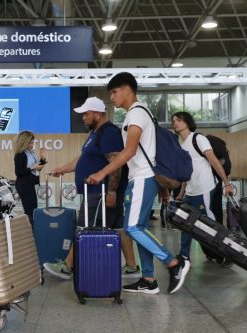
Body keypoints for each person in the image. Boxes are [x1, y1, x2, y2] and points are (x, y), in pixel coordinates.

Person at [88, 72, 189, 295]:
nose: (112, 98)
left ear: (127, 90)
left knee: (132, 227)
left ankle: (174, 263)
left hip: (143, 177)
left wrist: (102, 172)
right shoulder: (139, 114)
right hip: (141, 177)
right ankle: (148, 278)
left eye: (114, 92)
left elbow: (130, 151)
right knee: (138, 227)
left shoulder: (136, 114)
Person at [43, 97, 140, 280]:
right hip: (99, 193)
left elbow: (116, 163)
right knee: (119, 228)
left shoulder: (108, 132)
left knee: (84, 227)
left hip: (99, 193)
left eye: (86, 114)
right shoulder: (95, 134)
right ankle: (132, 267)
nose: (83, 118)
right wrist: (62, 169)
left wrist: (111, 192)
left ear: (97, 114)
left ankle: (67, 266)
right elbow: (83, 159)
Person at [171, 111, 234, 267]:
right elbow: (187, 172)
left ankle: (224, 254)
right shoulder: (180, 145)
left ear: (187, 122)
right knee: (185, 223)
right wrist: (181, 193)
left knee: (210, 224)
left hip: (205, 188)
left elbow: (214, 162)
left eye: (179, 120)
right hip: (191, 192)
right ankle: (184, 256)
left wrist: (226, 183)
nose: (175, 123)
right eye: (173, 121)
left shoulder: (198, 139)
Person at [13, 130, 46, 224]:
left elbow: (37, 168)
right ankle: (30, 232)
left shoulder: (31, 153)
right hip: (24, 185)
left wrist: (43, 159)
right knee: (30, 211)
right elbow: (18, 172)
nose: (32, 145)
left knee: (33, 210)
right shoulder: (20, 155)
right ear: (24, 142)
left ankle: (32, 231)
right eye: (30, 143)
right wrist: (32, 168)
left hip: (29, 184)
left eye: (33, 142)